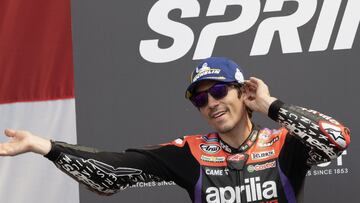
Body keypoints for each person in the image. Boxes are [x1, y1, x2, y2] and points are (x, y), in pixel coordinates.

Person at [0, 57, 351, 203]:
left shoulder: (285, 143)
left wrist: (271, 105)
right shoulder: (192, 152)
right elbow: (110, 175)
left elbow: (337, 138)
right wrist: (43, 145)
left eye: (218, 91)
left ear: (244, 92)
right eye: (200, 100)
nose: (210, 103)